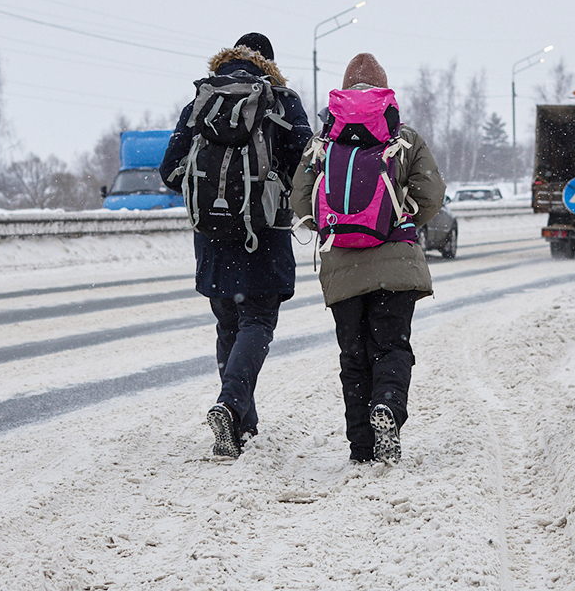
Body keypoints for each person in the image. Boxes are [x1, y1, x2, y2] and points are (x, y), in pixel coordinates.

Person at [159, 33, 312, 458]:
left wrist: (212, 195)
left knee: (229, 325)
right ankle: (230, 405)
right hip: (263, 235)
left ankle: (241, 428)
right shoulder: (282, 101)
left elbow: (169, 171)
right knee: (257, 322)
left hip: (211, 236)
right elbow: (307, 163)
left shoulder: (202, 101)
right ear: (271, 63)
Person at [291, 53, 445, 465]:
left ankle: (361, 447)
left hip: (341, 268)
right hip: (397, 263)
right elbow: (432, 194)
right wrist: (399, 218)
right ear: (385, 91)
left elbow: (300, 200)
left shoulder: (322, 142)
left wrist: (331, 227)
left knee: (353, 356)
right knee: (391, 346)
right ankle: (388, 408)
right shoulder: (404, 138)